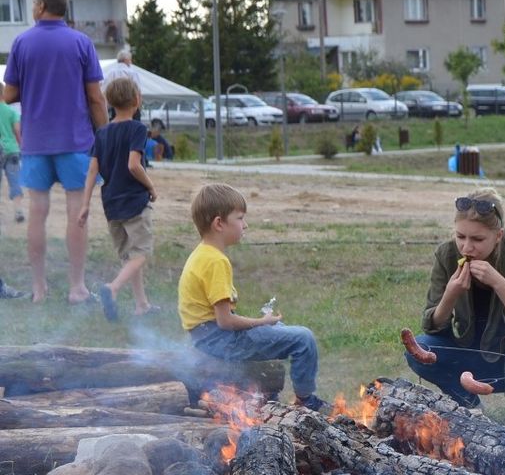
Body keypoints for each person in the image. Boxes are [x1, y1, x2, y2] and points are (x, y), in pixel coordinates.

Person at [405, 187, 505, 424]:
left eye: (477, 239)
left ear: (498, 236)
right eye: (460, 237)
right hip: (467, 355)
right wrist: (451, 294)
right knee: (420, 348)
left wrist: (498, 282)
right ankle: (468, 405)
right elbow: (433, 327)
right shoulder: (446, 254)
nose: (467, 248)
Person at [178, 183, 326, 411]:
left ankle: (267, 397)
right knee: (303, 339)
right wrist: (261, 322)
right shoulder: (216, 261)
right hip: (217, 340)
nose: (245, 225)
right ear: (219, 223)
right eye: (239, 218)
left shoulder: (201, 254)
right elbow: (225, 321)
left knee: (280, 330)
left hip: (203, 336)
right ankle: (307, 401)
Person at [3, 0, 108, 304]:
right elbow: (95, 97)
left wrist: (31, 86)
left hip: (35, 143)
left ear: (39, 7)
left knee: (37, 212)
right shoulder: (81, 42)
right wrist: (105, 136)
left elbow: (8, 95)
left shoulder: (21, 43)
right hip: (76, 141)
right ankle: (77, 288)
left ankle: (39, 289)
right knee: (78, 212)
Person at [77, 77, 159, 321]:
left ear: (110, 102)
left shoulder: (102, 132)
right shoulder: (137, 128)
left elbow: (92, 171)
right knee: (141, 253)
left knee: (129, 257)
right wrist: (151, 186)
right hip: (134, 201)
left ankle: (141, 304)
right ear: (137, 100)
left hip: (111, 204)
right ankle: (112, 289)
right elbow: (134, 165)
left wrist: (84, 205)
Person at [0, 101, 23, 223]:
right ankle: (18, 210)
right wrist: (21, 147)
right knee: (15, 181)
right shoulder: (12, 112)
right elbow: (17, 131)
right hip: (12, 150)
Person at [102, 48, 141, 120]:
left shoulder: (111, 73)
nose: (131, 62)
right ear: (126, 60)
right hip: (131, 109)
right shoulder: (133, 73)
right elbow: (137, 92)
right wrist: (138, 108)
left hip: (116, 108)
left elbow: (104, 92)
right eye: (130, 60)